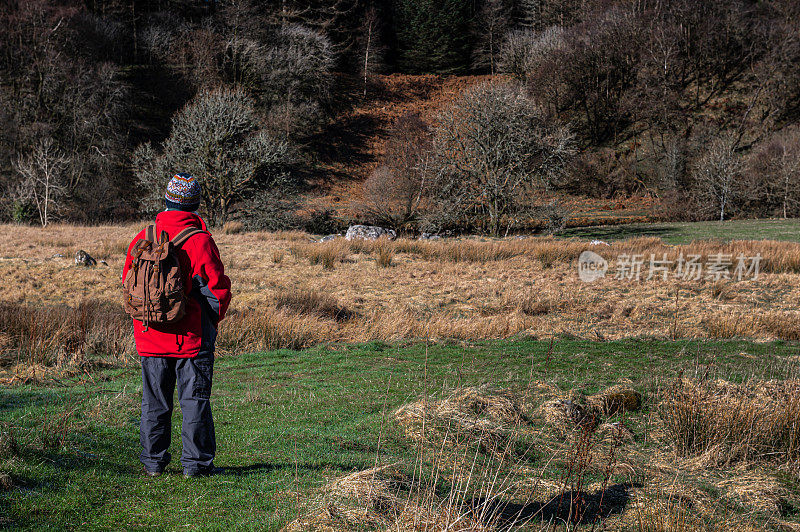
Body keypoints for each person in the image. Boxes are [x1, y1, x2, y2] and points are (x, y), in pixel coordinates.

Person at [122, 173, 231, 478]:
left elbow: (127, 283)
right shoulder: (200, 241)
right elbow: (217, 291)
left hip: (148, 335)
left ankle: (153, 463)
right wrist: (210, 324)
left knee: (154, 402)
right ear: (195, 205)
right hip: (191, 339)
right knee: (194, 401)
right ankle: (196, 466)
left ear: (167, 201)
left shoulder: (143, 236)